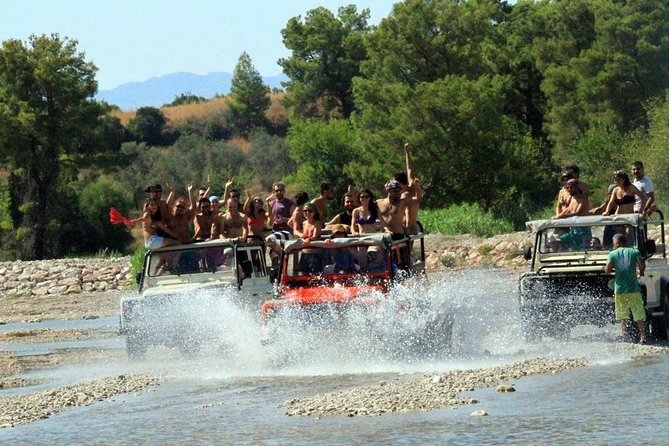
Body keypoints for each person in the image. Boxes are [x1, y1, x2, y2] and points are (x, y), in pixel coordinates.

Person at [604, 233, 648, 344]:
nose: (613, 246)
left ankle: (624, 336)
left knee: (622, 313)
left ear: (617, 243)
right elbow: (641, 265)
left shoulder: (612, 254)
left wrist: (608, 268)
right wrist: (641, 272)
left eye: (614, 244)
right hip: (633, 287)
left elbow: (607, 269)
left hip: (619, 289)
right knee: (638, 312)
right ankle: (642, 336)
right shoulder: (634, 251)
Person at [396, 143, 423, 235]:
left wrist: (407, 153)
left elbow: (409, 169)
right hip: (401, 226)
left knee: (407, 245)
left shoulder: (412, 188)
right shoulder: (397, 194)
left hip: (411, 226)